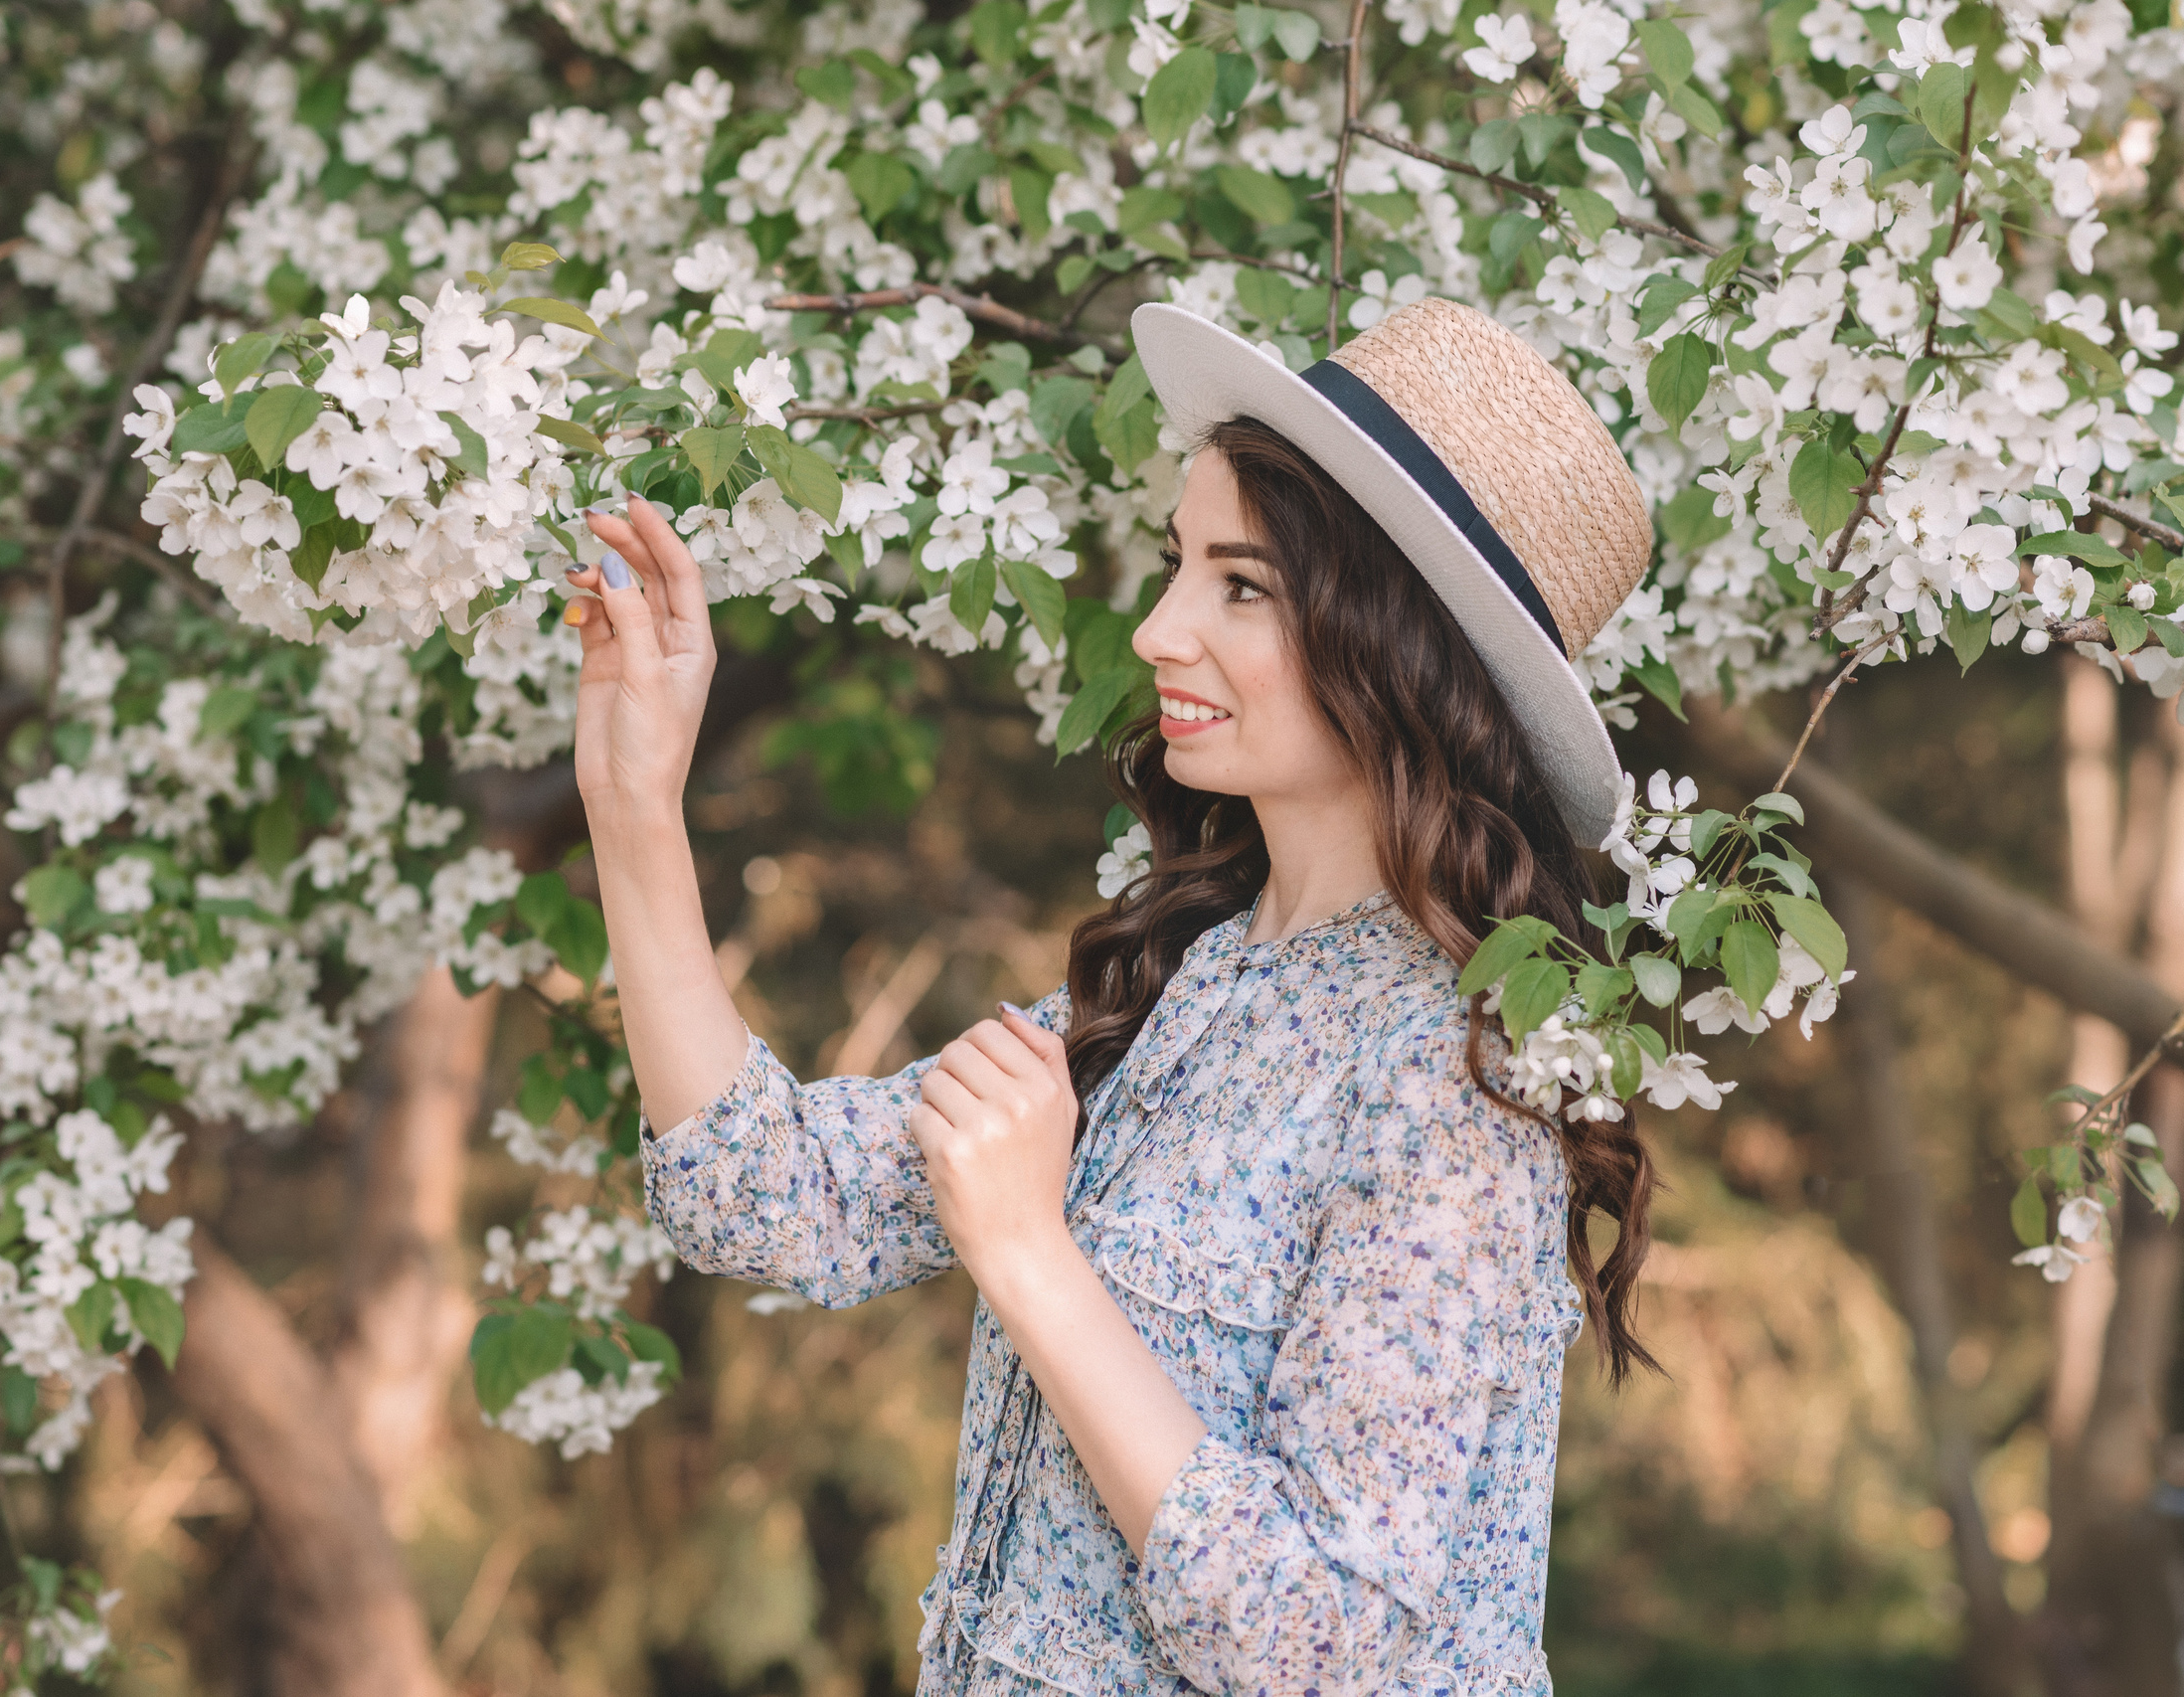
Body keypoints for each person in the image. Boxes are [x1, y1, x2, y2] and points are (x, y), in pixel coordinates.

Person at [560, 296, 1659, 1696]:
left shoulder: (1452, 1077)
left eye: (1239, 586)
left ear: (1399, 645)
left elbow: (1321, 1642)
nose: (1156, 630)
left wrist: (1030, 1255)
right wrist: (633, 800)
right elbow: (759, 1193)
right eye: (1177, 564)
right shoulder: (1183, 982)